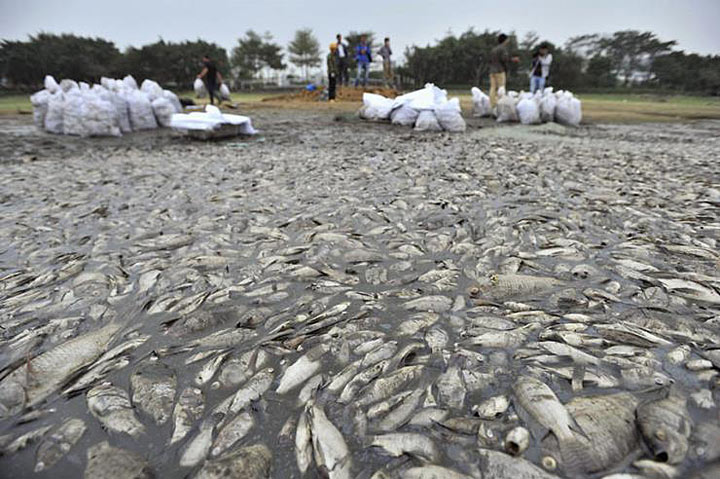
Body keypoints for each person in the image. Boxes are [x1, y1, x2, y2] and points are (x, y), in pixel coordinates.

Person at [488, 34, 519, 108]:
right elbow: (504, 59)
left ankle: (492, 105)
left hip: (492, 71)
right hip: (500, 70)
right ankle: (500, 104)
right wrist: (512, 60)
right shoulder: (503, 49)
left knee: (493, 88)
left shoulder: (494, 49)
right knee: (501, 88)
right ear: (504, 40)